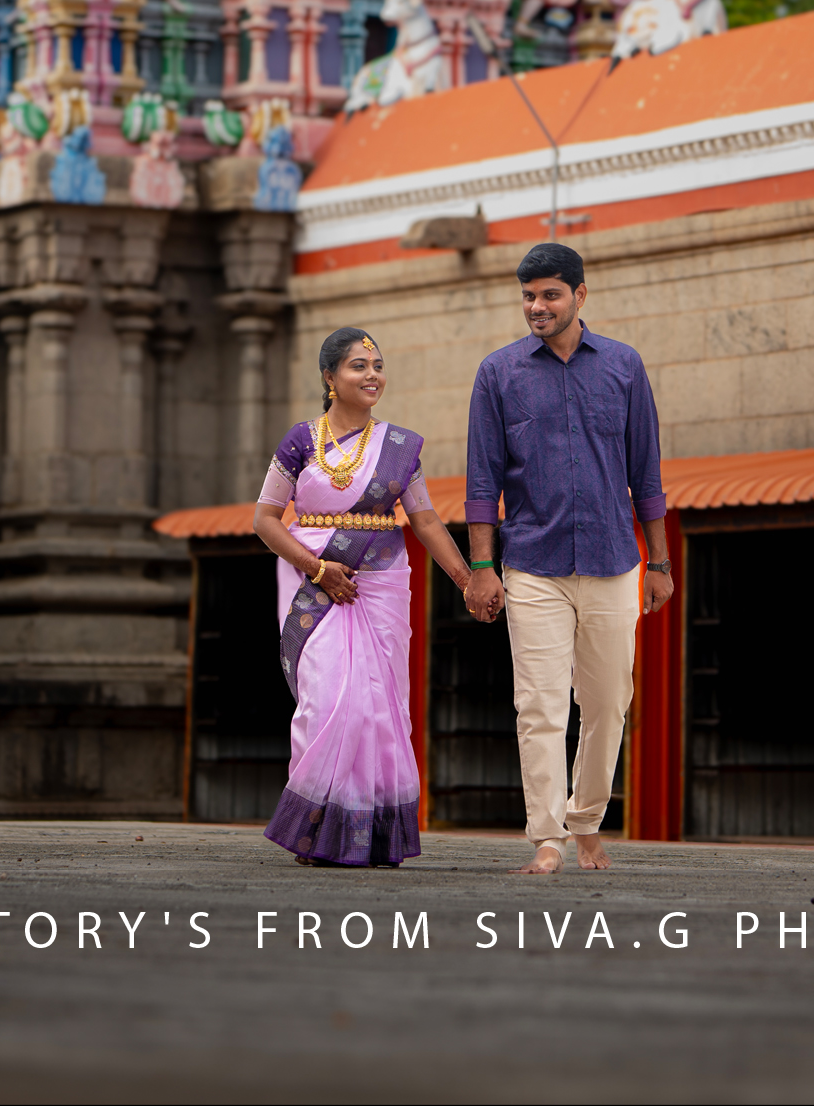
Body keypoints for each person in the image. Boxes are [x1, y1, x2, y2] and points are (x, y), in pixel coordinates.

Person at [463, 244, 673, 875]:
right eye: (528, 296)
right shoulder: (498, 373)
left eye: (550, 294)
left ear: (580, 295)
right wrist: (482, 568)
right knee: (540, 704)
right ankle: (548, 838)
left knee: (609, 702)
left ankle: (586, 820)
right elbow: (482, 481)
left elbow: (646, 473)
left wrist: (659, 563)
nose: (537, 306)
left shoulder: (624, 366)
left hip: (614, 559)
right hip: (533, 561)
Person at [252, 326, 489, 866]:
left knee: (377, 708)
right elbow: (265, 520)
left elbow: (425, 520)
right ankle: (314, 832)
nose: (372, 375)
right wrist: (317, 569)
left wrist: (467, 578)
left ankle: (373, 836)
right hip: (314, 586)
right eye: (359, 366)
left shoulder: (399, 448)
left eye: (377, 366)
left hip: (377, 586)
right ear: (330, 377)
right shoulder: (300, 441)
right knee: (326, 702)